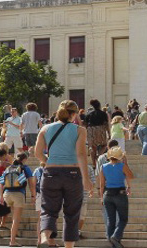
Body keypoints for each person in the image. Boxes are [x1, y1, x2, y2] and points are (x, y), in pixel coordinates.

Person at [35, 100, 93, 248]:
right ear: (73, 114)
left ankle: (43, 237)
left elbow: (37, 152)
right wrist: (86, 179)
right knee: (72, 213)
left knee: (48, 209)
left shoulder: (46, 128)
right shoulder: (79, 130)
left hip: (50, 172)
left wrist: (46, 161)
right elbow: (80, 154)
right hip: (72, 173)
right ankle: (68, 246)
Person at [98, 146, 133, 248]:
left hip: (107, 194)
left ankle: (113, 243)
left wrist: (101, 197)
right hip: (120, 193)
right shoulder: (122, 166)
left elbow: (101, 184)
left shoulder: (103, 167)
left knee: (111, 220)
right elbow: (131, 176)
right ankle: (116, 236)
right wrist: (125, 163)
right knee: (123, 219)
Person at [0, 152, 36, 247]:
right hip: (18, 194)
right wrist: (33, 195)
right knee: (16, 219)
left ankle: (13, 235)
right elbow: (31, 183)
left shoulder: (8, 168)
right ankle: (12, 241)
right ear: (25, 159)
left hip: (7, 194)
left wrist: (1, 196)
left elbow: (1, 182)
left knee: (14, 217)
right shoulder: (25, 168)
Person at [85, 99, 110, 166]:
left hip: (91, 130)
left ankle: (93, 163)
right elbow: (106, 124)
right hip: (100, 129)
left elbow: (86, 124)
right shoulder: (103, 113)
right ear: (99, 105)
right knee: (104, 145)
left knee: (93, 147)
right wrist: (109, 132)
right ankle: (99, 156)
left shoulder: (89, 114)